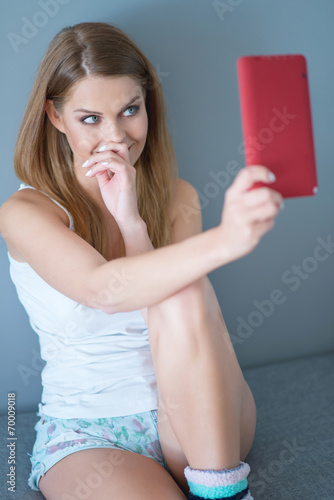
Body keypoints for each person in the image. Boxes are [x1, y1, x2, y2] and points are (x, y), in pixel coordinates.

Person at [0, 21, 282, 500]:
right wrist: (229, 239)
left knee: (184, 285)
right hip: (89, 431)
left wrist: (132, 223)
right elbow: (102, 289)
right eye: (90, 118)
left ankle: (225, 490)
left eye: (130, 110)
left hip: (200, 410)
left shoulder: (178, 198)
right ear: (55, 116)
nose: (116, 137)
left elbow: (170, 309)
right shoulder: (25, 213)